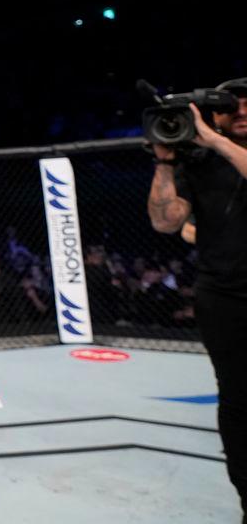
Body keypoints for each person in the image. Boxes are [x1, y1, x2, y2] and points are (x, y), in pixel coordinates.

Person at [148, 77, 247, 518]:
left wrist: (212, 138)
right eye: (232, 107)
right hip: (224, 295)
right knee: (237, 399)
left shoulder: (218, 148)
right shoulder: (200, 161)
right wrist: (165, 162)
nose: (240, 113)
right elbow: (165, 223)